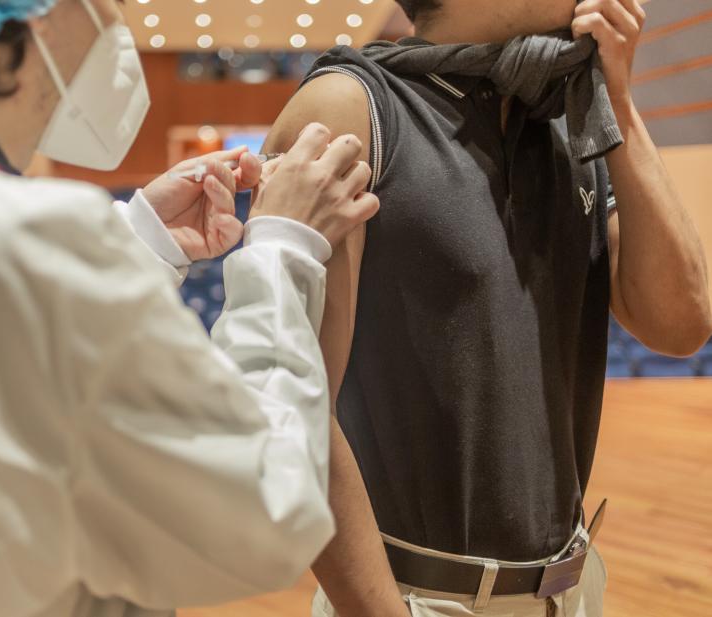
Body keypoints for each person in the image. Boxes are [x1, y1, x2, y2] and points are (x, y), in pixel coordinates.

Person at [0, 0, 381, 616]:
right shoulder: (38, 239)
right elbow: (264, 513)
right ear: (33, 21)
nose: (114, 23)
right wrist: (282, 252)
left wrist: (136, 242)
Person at [262, 0, 712, 616]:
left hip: (572, 591)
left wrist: (619, 103)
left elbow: (681, 323)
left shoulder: (567, 116)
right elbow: (296, 407)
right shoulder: (347, 108)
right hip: (416, 600)